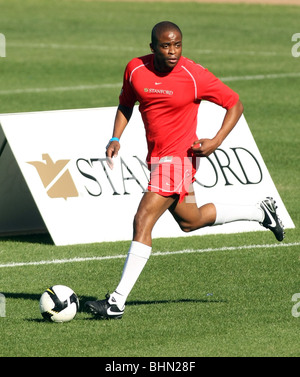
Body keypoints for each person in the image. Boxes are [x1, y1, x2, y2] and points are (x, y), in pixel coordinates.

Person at [85, 21, 285, 320]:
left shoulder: (194, 75)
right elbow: (126, 103)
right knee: (190, 221)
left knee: (143, 220)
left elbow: (235, 104)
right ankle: (261, 212)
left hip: (179, 160)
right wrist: (116, 137)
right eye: (166, 46)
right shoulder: (135, 69)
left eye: (177, 44)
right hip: (157, 159)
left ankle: (116, 302)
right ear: (152, 47)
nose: (173, 51)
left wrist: (216, 141)